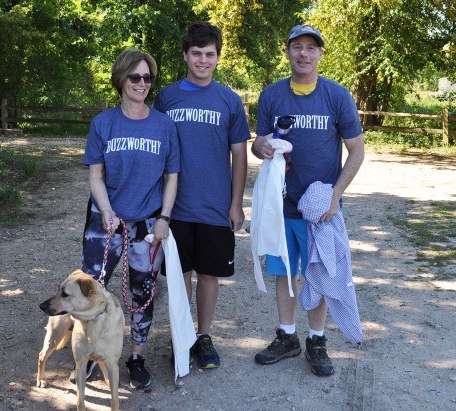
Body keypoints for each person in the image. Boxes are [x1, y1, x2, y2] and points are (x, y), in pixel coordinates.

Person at [251, 24, 365, 376]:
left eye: (310, 48)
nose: (303, 53)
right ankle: (287, 337)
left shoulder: (337, 95)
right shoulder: (271, 96)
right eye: (297, 47)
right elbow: (258, 144)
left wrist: (335, 196)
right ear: (287, 52)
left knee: (321, 273)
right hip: (281, 204)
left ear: (320, 54)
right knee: (284, 272)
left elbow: (357, 150)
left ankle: (317, 340)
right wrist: (262, 146)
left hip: (322, 209)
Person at [78, 47, 180, 389]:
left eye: (147, 78)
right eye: (135, 77)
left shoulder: (164, 126)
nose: (141, 83)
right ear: (121, 79)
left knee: (143, 291)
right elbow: (96, 175)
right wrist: (107, 211)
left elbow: (172, 176)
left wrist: (164, 218)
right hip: (104, 220)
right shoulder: (103, 123)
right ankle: (95, 353)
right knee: (93, 290)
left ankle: (136, 356)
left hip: (148, 224)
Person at [154, 21, 250, 369]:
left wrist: (236, 203)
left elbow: (239, 154)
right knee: (180, 275)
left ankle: (204, 335)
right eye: (197, 53)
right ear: (185, 55)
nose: (203, 60)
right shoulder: (167, 96)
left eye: (210, 54)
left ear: (218, 58)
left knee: (209, 274)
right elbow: (156, 148)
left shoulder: (229, 100)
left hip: (214, 205)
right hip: (174, 205)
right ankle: (181, 335)